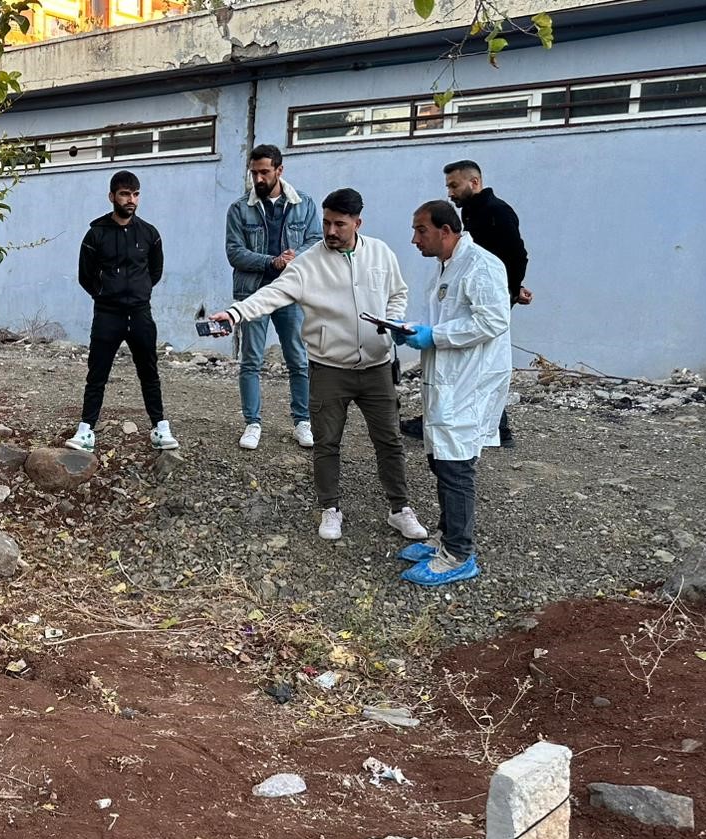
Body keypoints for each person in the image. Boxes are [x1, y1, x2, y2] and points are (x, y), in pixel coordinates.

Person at [211, 188, 427, 543]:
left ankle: (400, 509)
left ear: (358, 223)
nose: (330, 231)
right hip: (329, 369)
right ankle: (330, 508)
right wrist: (235, 313)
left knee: (389, 441)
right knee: (327, 443)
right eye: (326, 222)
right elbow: (272, 294)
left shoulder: (381, 254)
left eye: (339, 224)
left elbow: (398, 292)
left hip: (376, 367)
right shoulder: (309, 262)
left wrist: (392, 320)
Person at [395, 200, 512, 586]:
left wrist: (436, 336)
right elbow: (447, 320)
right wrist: (415, 330)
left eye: (421, 230)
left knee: (456, 466)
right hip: (447, 380)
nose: (415, 239)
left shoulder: (482, 265)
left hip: (470, 383)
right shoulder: (447, 267)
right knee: (440, 459)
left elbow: (493, 320)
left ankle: (459, 554)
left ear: (446, 231)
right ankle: (446, 539)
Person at [402, 160, 529, 447]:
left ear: (474, 182)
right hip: (476, 295)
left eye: (454, 185)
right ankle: (441, 419)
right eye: (447, 186)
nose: (450, 192)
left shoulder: (496, 212)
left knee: (476, 368)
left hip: (488, 296)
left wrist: (508, 290)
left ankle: (494, 427)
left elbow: (516, 255)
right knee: (460, 367)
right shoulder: (467, 221)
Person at [66, 170, 178, 452]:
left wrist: (138, 292)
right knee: (97, 374)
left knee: (149, 371)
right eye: (125, 194)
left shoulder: (150, 233)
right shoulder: (96, 234)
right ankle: (86, 431)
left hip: (140, 313)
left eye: (136, 194)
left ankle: (160, 428)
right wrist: (106, 295)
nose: (131, 200)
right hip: (108, 314)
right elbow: (85, 275)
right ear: (112, 196)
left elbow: (155, 272)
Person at [224, 144, 322, 450]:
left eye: (265, 172)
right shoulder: (240, 209)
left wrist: (296, 259)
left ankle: (302, 422)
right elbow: (234, 252)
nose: (259, 178)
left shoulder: (304, 204)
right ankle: (252, 424)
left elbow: (316, 241)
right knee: (251, 360)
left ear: (279, 170)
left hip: (292, 293)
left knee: (298, 359)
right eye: (254, 172)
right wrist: (271, 262)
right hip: (253, 293)